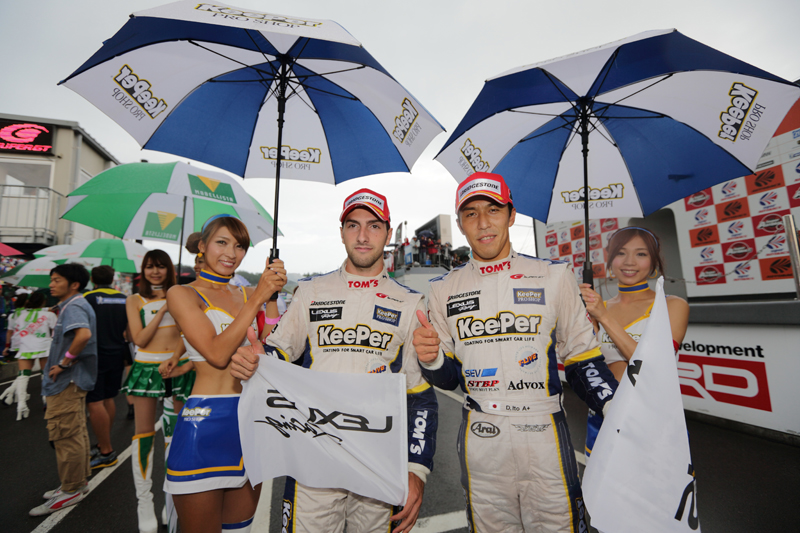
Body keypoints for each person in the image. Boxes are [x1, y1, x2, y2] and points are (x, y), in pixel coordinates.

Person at [413, 172, 618, 533]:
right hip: (482, 436)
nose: (483, 222)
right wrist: (431, 359)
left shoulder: (553, 276)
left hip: (545, 434)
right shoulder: (442, 289)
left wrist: (617, 409)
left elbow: (583, 360)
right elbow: (447, 379)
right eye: (471, 213)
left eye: (493, 210)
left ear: (511, 215)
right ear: (460, 224)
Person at [230, 189, 438, 533]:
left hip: (378, 462)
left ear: (388, 233)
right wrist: (256, 360)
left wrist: (417, 470)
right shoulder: (311, 292)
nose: (362, 235)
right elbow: (279, 353)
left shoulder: (410, 303)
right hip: (314, 455)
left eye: (374, 226)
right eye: (353, 225)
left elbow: (420, 396)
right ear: (341, 232)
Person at [165, 215, 286, 533]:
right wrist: (259, 297)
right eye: (222, 242)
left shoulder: (248, 294)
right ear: (202, 246)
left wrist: (272, 297)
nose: (231, 253)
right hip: (205, 425)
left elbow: (275, 348)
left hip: (253, 423)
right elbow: (217, 354)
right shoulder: (182, 294)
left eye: (240, 246)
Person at [579, 226, 689, 456]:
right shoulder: (598, 309)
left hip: (653, 420)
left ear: (654, 262)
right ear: (610, 261)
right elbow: (583, 364)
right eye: (621, 253)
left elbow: (654, 367)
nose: (629, 261)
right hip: (603, 419)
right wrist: (578, 312)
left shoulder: (671, 306)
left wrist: (604, 317)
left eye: (641, 254)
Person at [122, 249, 183, 533]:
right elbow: (140, 339)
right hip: (146, 369)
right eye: (149, 266)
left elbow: (186, 335)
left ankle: (170, 498)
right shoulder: (134, 300)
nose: (155, 272)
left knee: (175, 434)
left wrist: (174, 303)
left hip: (177, 369)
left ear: (169, 269)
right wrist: (163, 310)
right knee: (144, 435)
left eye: (160, 266)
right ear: (143, 271)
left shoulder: (182, 295)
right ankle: (144, 502)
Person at [29, 264, 97, 516]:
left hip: (67, 381)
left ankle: (71, 490)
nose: (51, 285)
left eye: (57, 280)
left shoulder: (74, 306)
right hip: (73, 381)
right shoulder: (73, 305)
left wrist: (64, 363)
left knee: (65, 435)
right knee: (75, 432)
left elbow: (83, 335)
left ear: (74, 284)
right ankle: (77, 483)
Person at [84, 265, 128, 469]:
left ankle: (106, 451)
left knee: (94, 402)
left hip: (95, 355)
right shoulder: (124, 298)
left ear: (92, 279)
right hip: (118, 353)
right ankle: (103, 442)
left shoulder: (87, 298)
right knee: (109, 398)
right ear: (112, 279)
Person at [4, 292, 57, 420]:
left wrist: (10, 346)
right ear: (43, 302)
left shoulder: (20, 315)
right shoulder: (49, 315)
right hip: (44, 347)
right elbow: (56, 332)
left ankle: (21, 406)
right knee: (45, 374)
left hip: (25, 348)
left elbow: (15, 332)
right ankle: (46, 401)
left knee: (23, 376)